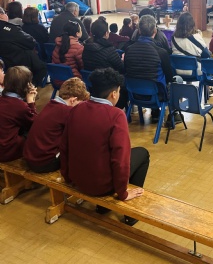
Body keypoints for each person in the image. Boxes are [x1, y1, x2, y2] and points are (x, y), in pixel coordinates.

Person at [60, 68, 150, 226]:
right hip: (101, 186)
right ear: (114, 94)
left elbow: (64, 146)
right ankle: (130, 214)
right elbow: (121, 160)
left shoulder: (77, 109)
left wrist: (67, 176)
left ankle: (103, 207)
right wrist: (122, 193)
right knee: (142, 154)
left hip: (77, 179)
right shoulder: (116, 115)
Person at [23, 77, 89, 173]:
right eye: (80, 103)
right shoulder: (67, 112)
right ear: (73, 100)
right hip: (45, 163)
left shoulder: (50, 104)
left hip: (30, 158)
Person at [125, 15, 174, 123]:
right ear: (155, 31)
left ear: (139, 31)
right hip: (156, 95)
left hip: (134, 94)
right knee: (174, 81)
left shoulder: (128, 50)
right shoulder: (161, 52)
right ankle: (173, 114)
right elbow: (169, 77)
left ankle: (155, 112)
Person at [171, 12, 213, 96]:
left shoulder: (173, 38)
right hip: (194, 71)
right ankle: (209, 88)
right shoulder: (196, 37)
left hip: (177, 70)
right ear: (192, 24)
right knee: (208, 60)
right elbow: (206, 54)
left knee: (187, 60)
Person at [0, 8, 47, 86]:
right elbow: (31, 42)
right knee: (41, 68)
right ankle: (30, 87)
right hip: (18, 61)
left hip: (6, 63)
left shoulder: (20, 27)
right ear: (1, 15)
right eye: (5, 13)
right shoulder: (10, 29)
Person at [0, 66, 38, 162]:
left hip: (3, 146)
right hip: (7, 151)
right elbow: (35, 123)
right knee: (37, 134)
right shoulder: (19, 106)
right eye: (29, 82)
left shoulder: (3, 98)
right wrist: (31, 101)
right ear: (24, 86)